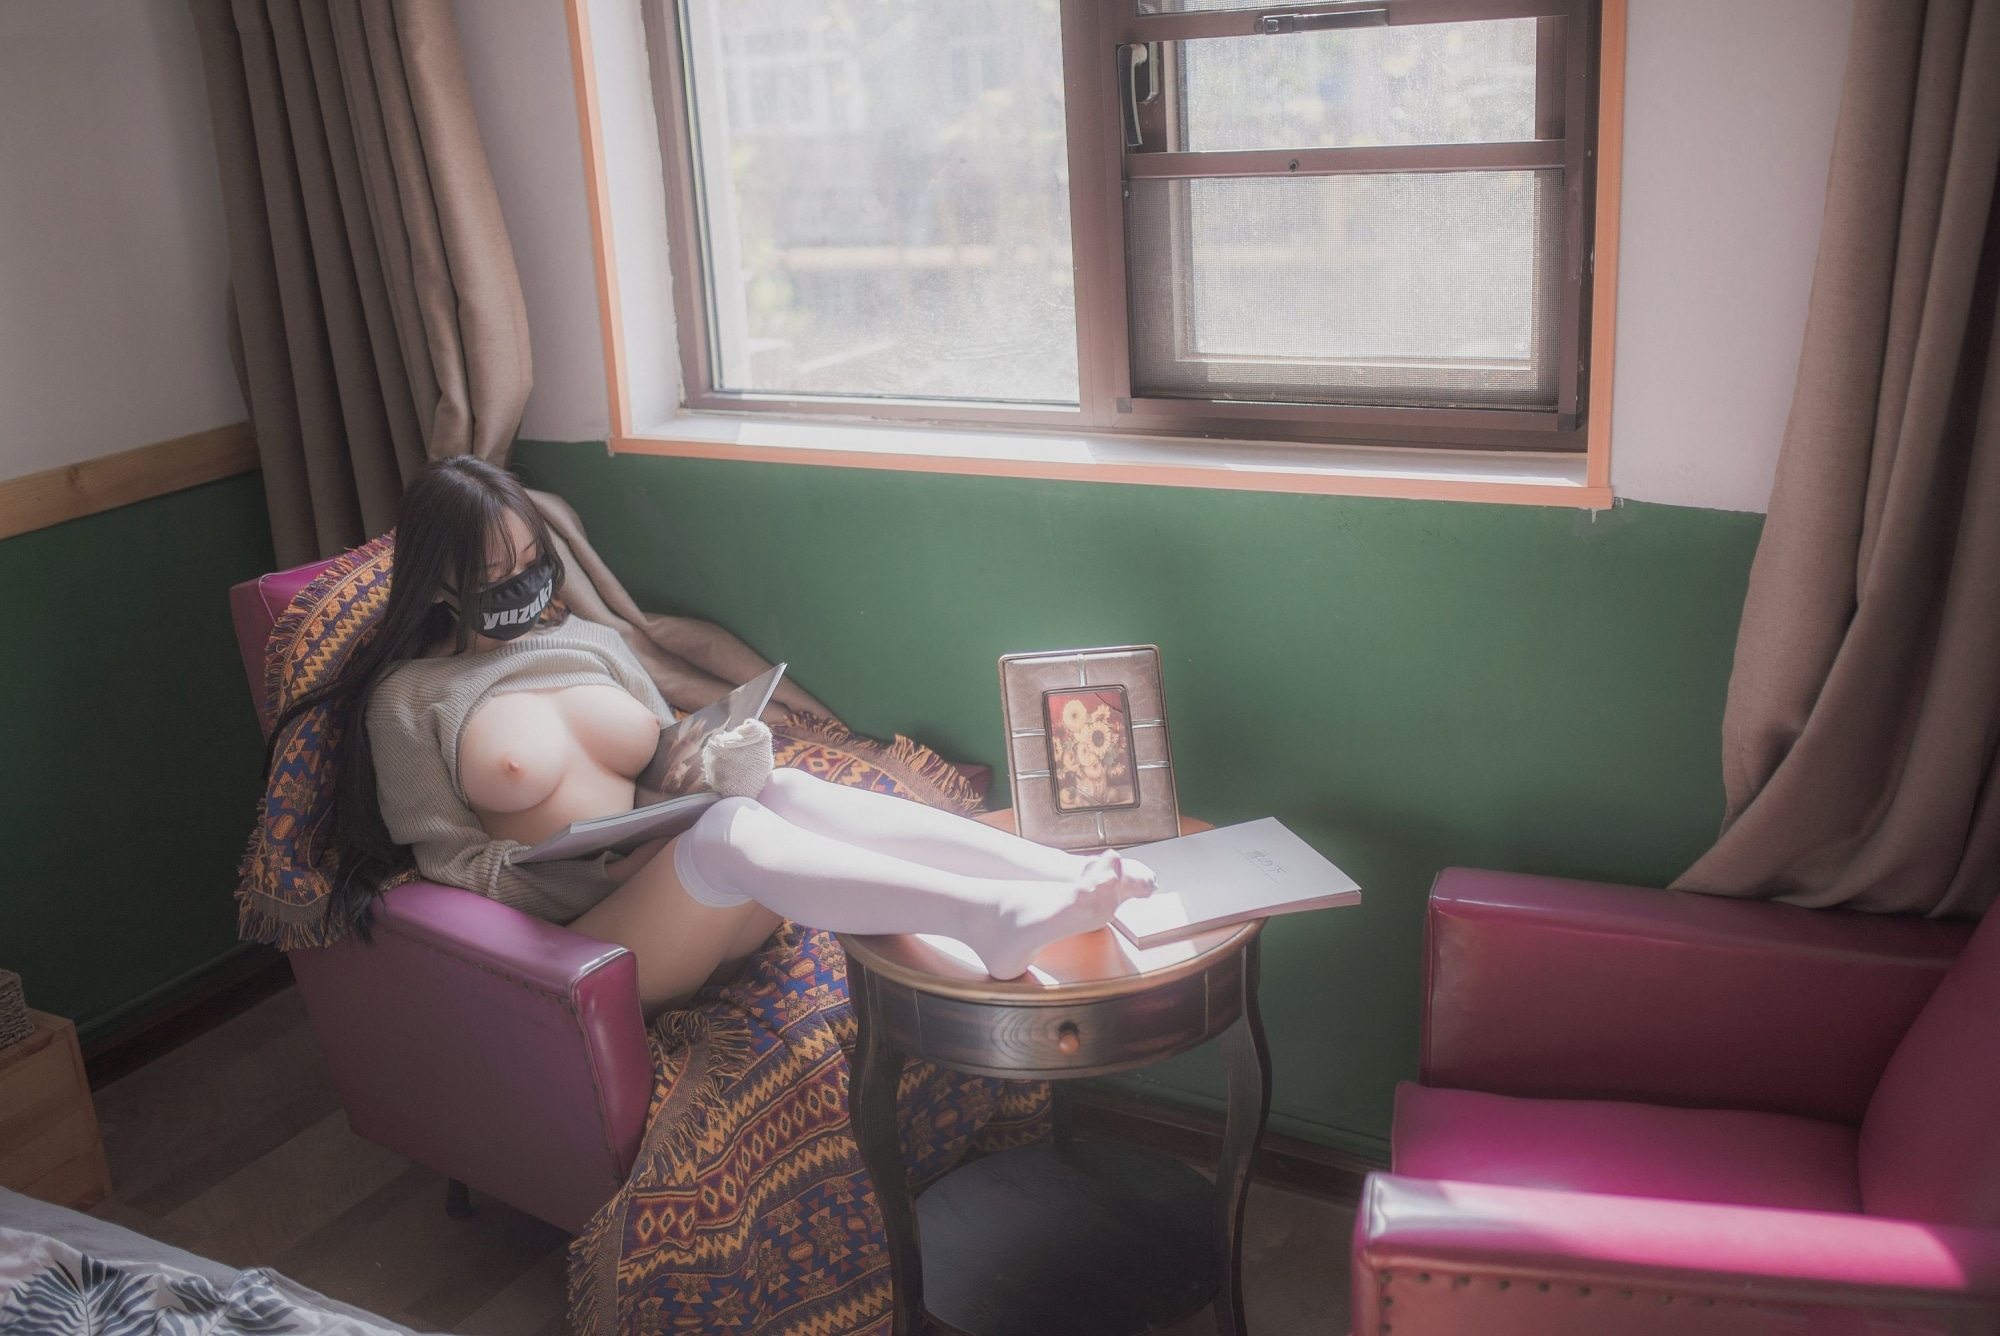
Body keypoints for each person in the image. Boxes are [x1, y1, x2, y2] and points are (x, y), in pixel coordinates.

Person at [270, 457, 1153, 1008]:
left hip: (697, 894)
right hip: (592, 938)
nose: (524, 585)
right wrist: (601, 868)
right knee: (729, 831)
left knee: (782, 788)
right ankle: (989, 922)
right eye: (494, 573)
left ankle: (1061, 874)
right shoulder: (408, 701)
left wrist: (721, 759)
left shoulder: (592, 643)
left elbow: (665, 764)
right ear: (437, 583)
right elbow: (449, 866)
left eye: (534, 562)